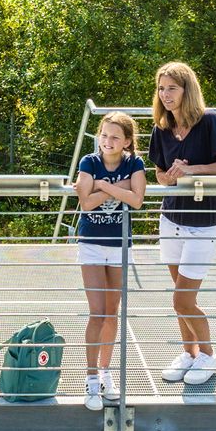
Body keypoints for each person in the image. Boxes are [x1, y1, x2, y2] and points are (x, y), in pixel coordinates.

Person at [148, 62, 216, 386]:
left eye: (172, 88)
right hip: (171, 219)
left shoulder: (209, 121)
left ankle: (209, 355)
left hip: (202, 224)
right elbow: (159, 172)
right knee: (179, 297)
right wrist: (167, 177)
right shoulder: (161, 128)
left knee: (182, 300)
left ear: (187, 90)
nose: (165, 94)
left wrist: (192, 170)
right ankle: (189, 354)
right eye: (161, 88)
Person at [74, 112, 146, 412]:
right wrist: (120, 188)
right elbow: (85, 203)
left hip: (119, 246)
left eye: (115, 137)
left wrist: (102, 186)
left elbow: (137, 200)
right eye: (104, 135)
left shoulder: (135, 164)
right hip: (91, 244)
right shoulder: (89, 162)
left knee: (112, 313)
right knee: (97, 312)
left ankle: (105, 373)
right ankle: (91, 378)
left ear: (127, 141)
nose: (108, 141)